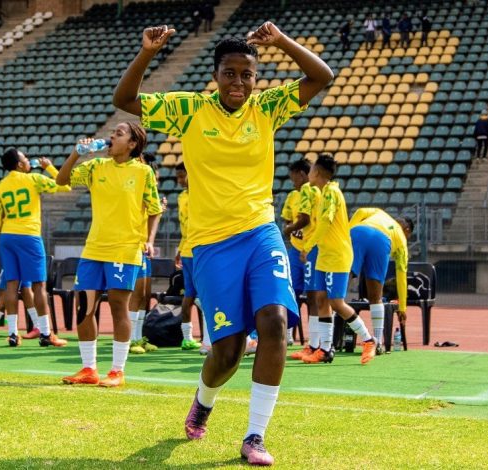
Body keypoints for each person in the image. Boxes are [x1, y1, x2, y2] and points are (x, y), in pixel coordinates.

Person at [113, 22, 333, 465]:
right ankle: (204, 399)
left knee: (275, 322)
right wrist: (147, 53)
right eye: (230, 73)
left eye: (247, 74)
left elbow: (321, 77)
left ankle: (255, 436)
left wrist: (283, 42)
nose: (239, 82)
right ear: (215, 76)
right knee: (227, 353)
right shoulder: (190, 109)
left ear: (256, 77)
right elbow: (125, 101)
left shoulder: (267, 107)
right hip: (211, 246)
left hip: (261, 231)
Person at [57, 122, 162, 387]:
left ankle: (117, 371)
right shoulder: (95, 167)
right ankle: (88, 369)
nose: (112, 136)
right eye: (112, 132)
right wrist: (76, 153)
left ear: (132, 144)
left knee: (118, 306)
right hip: (94, 248)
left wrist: (148, 240)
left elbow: (154, 208)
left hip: (125, 249)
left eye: (119, 133)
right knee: (85, 308)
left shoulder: (143, 172)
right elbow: (62, 180)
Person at [300, 154, 377, 365]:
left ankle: (369, 340)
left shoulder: (331, 192)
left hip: (337, 255)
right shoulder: (324, 192)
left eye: (312, 168)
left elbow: (325, 222)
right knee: (321, 300)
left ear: (317, 172)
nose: (309, 172)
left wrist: (309, 244)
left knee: (336, 302)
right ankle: (325, 349)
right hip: (326, 254)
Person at [0, 150, 69, 348]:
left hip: (7, 238)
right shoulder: (34, 178)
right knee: (39, 286)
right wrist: (48, 166)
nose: (28, 162)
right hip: (29, 236)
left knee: (11, 286)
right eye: (25, 159)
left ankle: (13, 334)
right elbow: (64, 186)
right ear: (18, 165)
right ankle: (45, 333)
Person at [348, 207, 413, 355]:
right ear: (407, 230)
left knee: (341, 286)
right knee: (376, 296)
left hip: (359, 231)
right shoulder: (402, 240)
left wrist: (349, 231)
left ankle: (326, 341)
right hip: (382, 241)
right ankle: (377, 342)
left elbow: (359, 212)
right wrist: (402, 307)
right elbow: (401, 276)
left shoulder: (379, 212)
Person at [281, 158, 321, 354]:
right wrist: (289, 228)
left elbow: (304, 220)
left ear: (302, 174)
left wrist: (289, 229)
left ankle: (315, 341)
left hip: (311, 248)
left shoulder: (311, 192)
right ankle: (287, 335)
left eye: (294, 178)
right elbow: (288, 218)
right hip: (296, 250)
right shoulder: (292, 196)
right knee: (291, 292)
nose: (293, 183)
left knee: (314, 295)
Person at [127, 152, 164, 355]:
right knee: (136, 294)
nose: (156, 182)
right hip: (134, 246)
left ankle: (139, 337)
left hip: (144, 247)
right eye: (154, 178)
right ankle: (131, 340)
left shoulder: (148, 194)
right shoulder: (135, 187)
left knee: (144, 295)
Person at [175, 162, 203, 351]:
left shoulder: (182, 197)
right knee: (199, 295)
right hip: (196, 249)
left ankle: (187, 337)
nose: (180, 180)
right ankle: (210, 336)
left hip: (187, 249)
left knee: (190, 294)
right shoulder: (195, 196)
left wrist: (179, 248)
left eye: (182, 176)